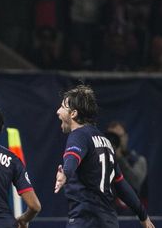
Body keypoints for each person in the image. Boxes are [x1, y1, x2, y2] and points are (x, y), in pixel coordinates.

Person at [54, 84, 154, 228]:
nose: (58, 111)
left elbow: (73, 155)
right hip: (108, 222)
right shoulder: (106, 142)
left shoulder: (79, 135)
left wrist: (65, 173)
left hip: (85, 221)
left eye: (63, 107)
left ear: (73, 113)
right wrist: (143, 216)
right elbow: (121, 184)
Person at [107, 121, 148, 195]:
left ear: (126, 137)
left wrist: (119, 157)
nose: (114, 141)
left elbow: (135, 183)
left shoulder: (138, 160)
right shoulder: (99, 158)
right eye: (111, 137)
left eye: (118, 137)